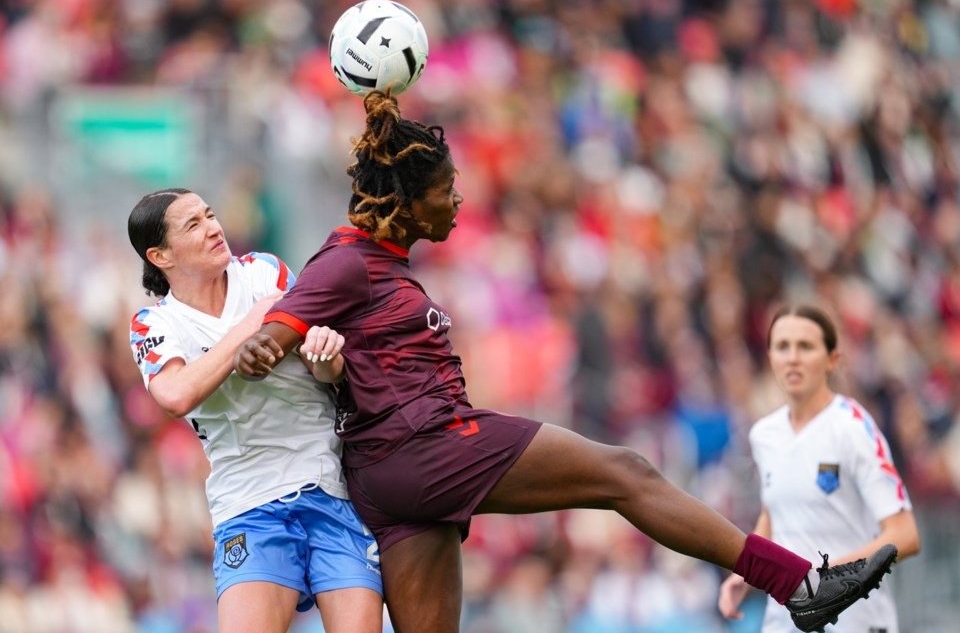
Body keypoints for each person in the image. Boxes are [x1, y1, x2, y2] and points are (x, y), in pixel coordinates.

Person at [233, 90, 897, 633]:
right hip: (424, 445)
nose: (457, 200)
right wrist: (268, 342)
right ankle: (797, 582)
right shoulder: (347, 260)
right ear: (406, 202)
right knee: (626, 473)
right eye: (445, 189)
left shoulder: (377, 264)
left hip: (396, 475)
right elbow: (276, 330)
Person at [126, 189, 383, 633]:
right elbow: (176, 395)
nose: (214, 227)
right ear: (160, 255)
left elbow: (326, 371)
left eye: (210, 214)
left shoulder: (264, 273)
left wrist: (328, 357)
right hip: (249, 506)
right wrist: (255, 323)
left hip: (331, 489)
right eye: (193, 224)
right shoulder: (155, 324)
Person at [718, 305, 921, 632]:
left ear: (832, 359)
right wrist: (745, 574)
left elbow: (905, 535)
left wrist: (824, 579)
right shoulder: (763, 435)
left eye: (806, 346)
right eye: (783, 346)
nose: (793, 357)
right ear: (769, 357)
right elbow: (773, 513)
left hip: (855, 619)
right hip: (784, 619)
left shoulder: (853, 429)